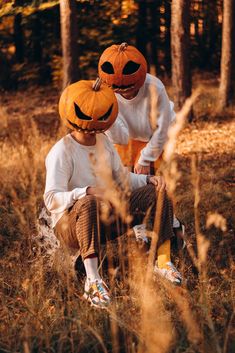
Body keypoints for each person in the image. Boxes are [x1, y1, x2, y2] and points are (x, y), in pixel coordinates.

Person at [43, 79, 182, 309]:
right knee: (88, 202)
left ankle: (163, 261)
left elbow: (123, 179)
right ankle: (93, 280)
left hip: (107, 217)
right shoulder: (61, 151)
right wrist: (85, 191)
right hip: (71, 226)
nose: (95, 120)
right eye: (89, 114)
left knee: (158, 193)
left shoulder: (104, 143)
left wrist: (149, 179)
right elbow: (51, 199)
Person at [98, 42, 185, 253]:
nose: (124, 93)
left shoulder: (154, 87)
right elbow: (105, 121)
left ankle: (172, 226)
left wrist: (145, 159)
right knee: (128, 186)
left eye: (129, 88)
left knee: (154, 186)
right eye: (119, 89)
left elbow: (163, 128)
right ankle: (142, 231)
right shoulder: (105, 88)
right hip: (123, 140)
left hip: (153, 136)